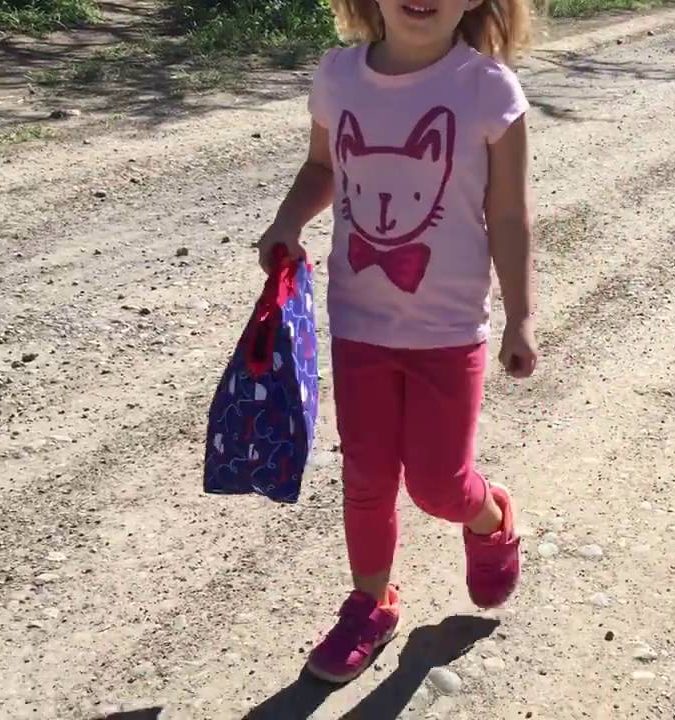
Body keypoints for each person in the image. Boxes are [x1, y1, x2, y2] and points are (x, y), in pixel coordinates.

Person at [255, 0, 538, 684]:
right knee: (367, 477)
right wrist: (287, 221)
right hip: (360, 321)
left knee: (440, 487)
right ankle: (372, 602)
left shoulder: (488, 90)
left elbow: (507, 211)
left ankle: (490, 516)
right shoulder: (338, 77)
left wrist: (521, 315)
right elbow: (322, 169)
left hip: (448, 328)